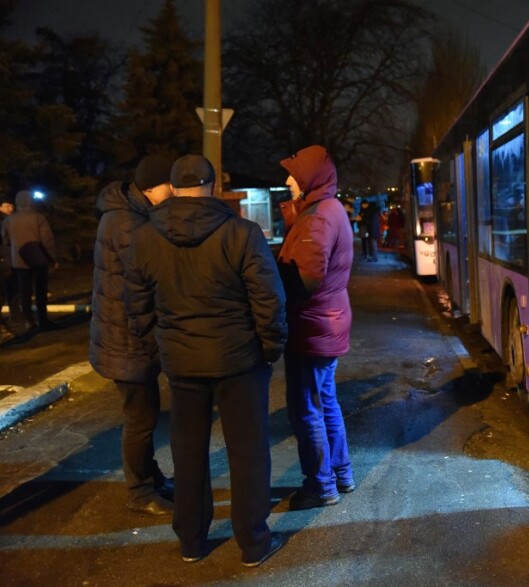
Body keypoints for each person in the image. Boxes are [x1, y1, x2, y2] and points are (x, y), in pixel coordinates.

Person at [125, 154, 286, 566]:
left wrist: (161, 347)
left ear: (175, 189)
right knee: (248, 452)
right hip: (239, 361)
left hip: (182, 364)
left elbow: (137, 306)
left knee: (188, 451)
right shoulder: (242, 233)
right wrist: (269, 348)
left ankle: (192, 542)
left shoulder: (145, 237)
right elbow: (269, 300)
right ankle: (252, 542)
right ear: (214, 187)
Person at [89, 154, 177, 516]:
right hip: (126, 339)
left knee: (144, 414)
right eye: (170, 186)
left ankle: (150, 477)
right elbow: (142, 281)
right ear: (153, 188)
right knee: (140, 418)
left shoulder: (127, 214)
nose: (173, 192)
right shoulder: (129, 224)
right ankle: (140, 491)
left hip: (123, 336)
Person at [278, 145, 355, 510]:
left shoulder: (319, 216)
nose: (288, 180)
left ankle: (321, 485)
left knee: (306, 407)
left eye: (294, 174)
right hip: (327, 319)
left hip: (312, 324)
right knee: (326, 401)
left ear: (309, 177)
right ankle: (341, 473)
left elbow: (304, 278)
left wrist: (272, 278)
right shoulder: (326, 210)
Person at [0, 190, 59, 332]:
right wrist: (52, 258)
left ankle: (29, 322)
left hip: (19, 261)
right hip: (39, 259)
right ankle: (43, 321)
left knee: (24, 292)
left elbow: (5, 241)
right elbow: (47, 240)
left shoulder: (9, 220)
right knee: (40, 291)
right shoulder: (39, 218)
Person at [0, 198, 16, 343]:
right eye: (7, 205)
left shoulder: (8, 220)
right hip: (4, 262)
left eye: (11, 205)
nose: (11, 208)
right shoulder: (5, 221)